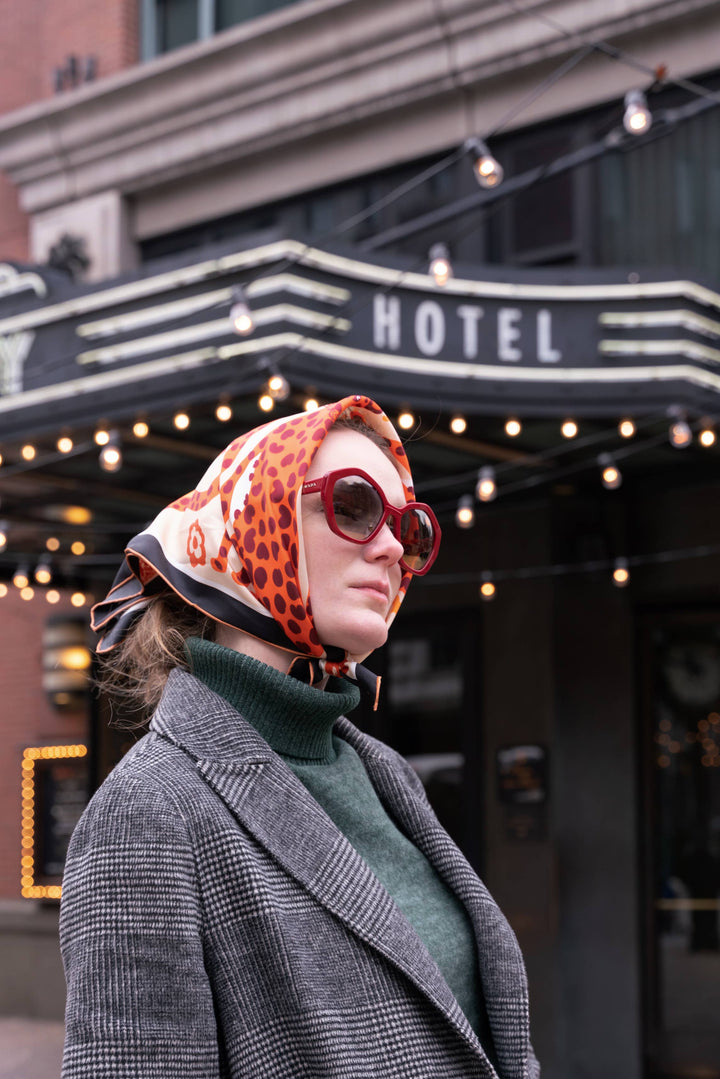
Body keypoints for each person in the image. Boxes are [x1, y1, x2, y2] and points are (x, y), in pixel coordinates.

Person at [60, 394, 539, 1078]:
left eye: (411, 526)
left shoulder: (385, 774)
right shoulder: (146, 811)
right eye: (354, 505)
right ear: (251, 525)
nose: (393, 547)